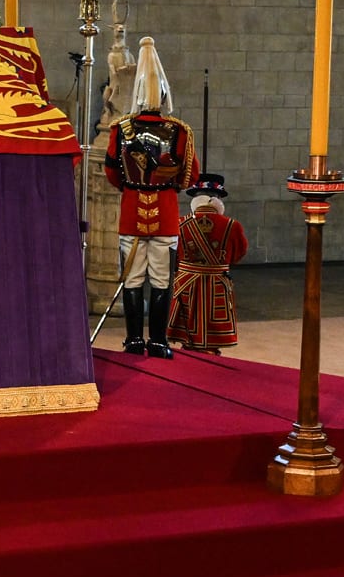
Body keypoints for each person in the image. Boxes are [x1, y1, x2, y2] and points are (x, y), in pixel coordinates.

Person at [102, 37, 196, 359]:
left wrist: (132, 188)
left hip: (131, 213)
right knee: (161, 280)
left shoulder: (120, 129)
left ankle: (133, 340)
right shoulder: (180, 131)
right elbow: (190, 176)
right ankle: (157, 341)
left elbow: (112, 172)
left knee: (131, 279)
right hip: (166, 214)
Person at [168, 173, 248, 352]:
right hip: (216, 284)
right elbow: (238, 254)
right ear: (217, 200)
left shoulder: (179, 223)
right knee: (213, 331)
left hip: (186, 284)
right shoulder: (232, 226)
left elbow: (171, 256)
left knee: (187, 329)